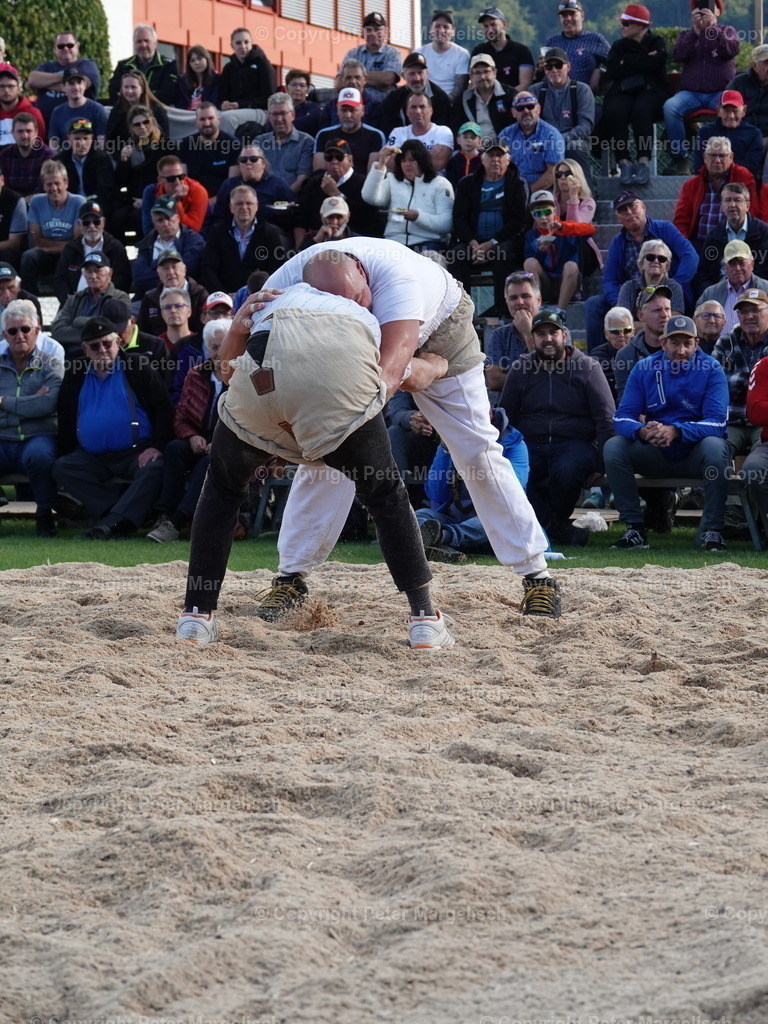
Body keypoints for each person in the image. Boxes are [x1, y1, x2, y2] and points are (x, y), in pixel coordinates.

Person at [237, 239, 561, 619]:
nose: (359, 307)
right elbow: (245, 367)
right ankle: (291, 578)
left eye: (359, 298)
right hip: (345, 346)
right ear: (310, 295)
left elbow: (387, 379)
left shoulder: (397, 282)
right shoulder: (278, 296)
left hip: (440, 329)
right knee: (325, 451)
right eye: (345, 304)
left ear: (362, 272)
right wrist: (284, 434)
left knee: (476, 449)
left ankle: (537, 576)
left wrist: (433, 369)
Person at [176, 283, 455, 651]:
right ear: (359, 286)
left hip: (260, 381)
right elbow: (400, 374)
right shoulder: (371, 309)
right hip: (334, 392)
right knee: (386, 496)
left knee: (222, 490)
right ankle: (424, 620)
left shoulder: (276, 293)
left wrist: (240, 325)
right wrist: (438, 365)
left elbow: (226, 370)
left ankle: (196, 617)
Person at [605, 314, 730, 551]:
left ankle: (712, 531)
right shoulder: (644, 367)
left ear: (696, 343)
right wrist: (642, 431)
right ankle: (634, 529)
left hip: (695, 454)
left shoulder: (712, 369)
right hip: (656, 452)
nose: (680, 350)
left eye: (687, 343)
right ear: (663, 343)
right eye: (674, 343)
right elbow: (621, 417)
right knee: (614, 447)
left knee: (716, 447)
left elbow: (718, 423)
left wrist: (677, 431)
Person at [500, 308, 615, 547]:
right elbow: (506, 416)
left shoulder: (588, 367)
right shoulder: (521, 368)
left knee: (567, 469)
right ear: (533, 339)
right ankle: (555, 527)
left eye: (553, 332)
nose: (548, 339)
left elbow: (605, 418)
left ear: (565, 335)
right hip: (530, 443)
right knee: (512, 471)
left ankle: (549, 525)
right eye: (541, 334)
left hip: (575, 443)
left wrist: (603, 464)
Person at [54, 315, 174, 539]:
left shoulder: (137, 366)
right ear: (85, 349)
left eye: (107, 343)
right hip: (91, 456)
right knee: (63, 467)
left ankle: (112, 521)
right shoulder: (75, 373)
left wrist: (157, 446)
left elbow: (163, 408)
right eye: (94, 346)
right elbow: (66, 416)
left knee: (154, 467)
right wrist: (68, 451)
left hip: (135, 452)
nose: (102, 349)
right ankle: (119, 514)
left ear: (118, 341)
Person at [583, 190, 699, 352]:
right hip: (633, 294)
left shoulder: (665, 229)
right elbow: (609, 279)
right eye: (623, 210)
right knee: (593, 305)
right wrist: (619, 305)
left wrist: (675, 284)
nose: (629, 212)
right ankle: (599, 357)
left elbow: (690, 256)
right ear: (618, 217)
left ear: (643, 206)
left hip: (667, 293)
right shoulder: (618, 243)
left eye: (632, 206)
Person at [147, 319, 230, 543]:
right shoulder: (196, 374)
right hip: (199, 439)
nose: (220, 353)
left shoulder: (243, 377)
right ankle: (165, 513)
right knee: (175, 448)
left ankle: (177, 521)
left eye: (225, 345)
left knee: (208, 462)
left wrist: (219, 442)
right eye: (214, 347)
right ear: (206, 349)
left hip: (230, 448)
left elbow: (247, 422)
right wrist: (191, 436)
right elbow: (181, 416)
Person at [417, 407, 528, 562]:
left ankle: (443, 537)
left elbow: (512, 490)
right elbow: (436, 494)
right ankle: (443, 545)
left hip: (493, 520)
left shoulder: (515, 443)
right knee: (420, 516)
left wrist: (480, 454)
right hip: (457, 518)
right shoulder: (453, 441)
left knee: (493, 521)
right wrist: (445, 450)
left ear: (489, 414)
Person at [0, 299, 62, 537]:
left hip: (38, 435)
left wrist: (3, 402)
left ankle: (44, 514)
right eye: (13, 331)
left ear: (37, 331)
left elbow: (47, 404)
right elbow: (37, 404)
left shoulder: (51, 363)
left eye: (25, 329)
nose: (20, 335)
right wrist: (31, 403)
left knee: (40, 456)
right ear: (4, 335)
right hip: (3, 436)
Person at [449, 137, 529, 316]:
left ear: (508, 159)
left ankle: (503, 312)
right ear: (483, 159)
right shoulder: (467, 184)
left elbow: (519, 222)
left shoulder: (518, 184)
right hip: (474, 244)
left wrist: (492, 243)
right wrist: (473, 244)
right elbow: (459, 219)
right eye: (491, 155)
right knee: (456, 255)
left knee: (504, 253)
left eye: (500, 155)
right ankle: (461, 313)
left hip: (504, 242)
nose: (495, 159)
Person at [662, 0, 739, 175]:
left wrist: (712, 29)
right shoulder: (685, 35)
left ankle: (729, 157)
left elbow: (730, 51)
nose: (702, 10)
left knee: (730, 111)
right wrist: (696, 33)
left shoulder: (727, 31)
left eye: (708, 7)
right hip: (691, 93)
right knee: (670, 107)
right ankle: (680, 158)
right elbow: (679, 55)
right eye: (698, 8)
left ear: (717, 12)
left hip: (720, 92)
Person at [601, 4, 669, 187]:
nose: (622, 27)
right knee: (614, 111)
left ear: (640, 26)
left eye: (626, 23)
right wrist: (643, 59)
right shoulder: (618, 45)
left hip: (651, 89)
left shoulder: (657, 41)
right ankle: (624, 162)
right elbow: (613, 69)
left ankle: (643, 161)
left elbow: (656, 64)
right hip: (623, 89)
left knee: (642, 110)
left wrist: (628, 61)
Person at [362, 140, 453, 251]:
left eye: (412, 160)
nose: (407, 164)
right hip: (394, 241)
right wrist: (381, 164)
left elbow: (447, 224)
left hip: (428, 242)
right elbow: (369, 197)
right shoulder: (392, 180)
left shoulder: (440, 184)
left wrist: (418, 217)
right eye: (403, 160)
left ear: (422, 161)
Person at [673, 136, 758, 248]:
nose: (717, 161)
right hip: (698, 244)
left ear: (731, 157)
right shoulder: (691, 185)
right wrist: (684, 246)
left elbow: (752, 212)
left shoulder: (743, 177)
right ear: (705, 158)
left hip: (733, 243)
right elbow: (681, 220)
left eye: (722, 156)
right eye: (712, 155)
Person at [711, 288, 768, 455]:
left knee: (759, 460)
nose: (749, 316)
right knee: (714, 451)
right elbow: (715, 382)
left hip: (764, 424)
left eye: (755, 310)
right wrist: (757, 383)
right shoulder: (725, 342)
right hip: (732, 422)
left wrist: (737, 382)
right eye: (743, 311)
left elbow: (727, 381)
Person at [522, 188, 595, 316]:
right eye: (538, 214)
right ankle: (537, 309)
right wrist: (541, 252)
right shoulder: (531, 235)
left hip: (568, 281)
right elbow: (529, 263)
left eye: (547, 212)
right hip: (544, 284)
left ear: (554, 211)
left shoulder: (566, 228)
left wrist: (562, 227)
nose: (543, 218)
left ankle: (560, 313)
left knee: (571, 265)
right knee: (529, 262)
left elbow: (590, 230)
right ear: (533, 215)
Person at [200, 185, 285, 294]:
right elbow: (208, 268)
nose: (244, 207)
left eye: (249, 203)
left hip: (260, 296)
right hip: (225, 297)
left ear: (256, 206)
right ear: (231, 207)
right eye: (239, 203)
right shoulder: (217, 232)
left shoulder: (269, 232)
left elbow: (277, 269)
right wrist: (223, 296)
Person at [294, 141, 375, 247]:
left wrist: (336, 193)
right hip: (317, 241)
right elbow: (300, 218)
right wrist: (301, 249)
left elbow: (367, 218)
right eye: (329, 157)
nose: (334, 161)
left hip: (352, 243)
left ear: (350, 160)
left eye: (339, 157)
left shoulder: (363, 183)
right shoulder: (314, 182)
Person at [50, 251, 131, 357]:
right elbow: (57, 331)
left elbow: (116, 329)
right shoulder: (75, 299)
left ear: (110, 273)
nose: (93, 276)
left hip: (105, 354)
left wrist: (78, 321)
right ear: (83, 274)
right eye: (88, 271)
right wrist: (94, 334)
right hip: (73, 356)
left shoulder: (120, 298)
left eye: (98, 271)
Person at [20, 160, 83, 294]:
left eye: (57, 183)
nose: (53, 188)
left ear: (66, 183)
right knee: (29, 257)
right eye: (49, 184)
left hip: (70, 256)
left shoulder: (78, 202)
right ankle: (28, 299)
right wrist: (65, 244)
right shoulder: (37, 202)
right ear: (43, 185)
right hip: (46, 257)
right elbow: (36, 240)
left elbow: (78, 243)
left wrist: (48, 245)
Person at [53, 199, 130, 303]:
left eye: (96, 222)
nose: (92, 226)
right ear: (79, 224)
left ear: (103, 222)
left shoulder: (116, 247)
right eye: (86, 223)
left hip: (107, 304)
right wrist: (70, 303)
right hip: (73, 304)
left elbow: (123, 280)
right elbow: (60, 281)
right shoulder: (70, 248)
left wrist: (104, 301)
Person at [530, 49, 595, 166]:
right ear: (545, 70)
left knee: (574, 147)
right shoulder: (535, 90)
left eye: (558, 65)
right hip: (543, 140)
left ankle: (583, 178)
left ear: (568, 67)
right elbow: (529, 123)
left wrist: (559, 139)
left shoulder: (582, 89)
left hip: (574, 140)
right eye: (549, 67)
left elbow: (585, 126)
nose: (554, 70)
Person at [165, 292, 233, 403]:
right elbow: (174, 388)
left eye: (225, 313)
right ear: (203, 317)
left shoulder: (242, 347)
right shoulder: (184, 346)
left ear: (233, 318)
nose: (220, 318)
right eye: (214, 313)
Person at [697, 183, 768, 289]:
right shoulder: (713, 236)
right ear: (722, 206)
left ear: (747, 206)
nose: (732, 205)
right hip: (722, 291)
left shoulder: (764, 233)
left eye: (737, 200)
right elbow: (703, 273)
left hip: (756, 291)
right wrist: (711, 293)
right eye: (728, 200)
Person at [132, 196, 205, 298]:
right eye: (160, 220)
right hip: (152, 298)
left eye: (168, 218)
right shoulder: (146, 243)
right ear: (154, 223)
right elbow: (139, 278)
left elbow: (190, 270)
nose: (165, 224)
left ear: (178, 218)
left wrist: (155, 265)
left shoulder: (193, 240)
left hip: (188, 296)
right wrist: (170, 278)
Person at [484, 271, 542, 398]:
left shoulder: (557, 332)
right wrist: (534, 380)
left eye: (525, 296)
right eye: (513, 298)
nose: (520, 302)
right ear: (507, 303)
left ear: (538, 301)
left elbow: (552, 376)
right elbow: (493, 381)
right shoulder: (499, 336)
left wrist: (528, 333)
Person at [26, 31, 100, 128]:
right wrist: (68, 76)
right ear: (54, 49)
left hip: (78, 127)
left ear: (77, 47)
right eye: (60, 46)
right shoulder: (46, 66)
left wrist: (45, 83)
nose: (65, 48)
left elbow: (84, 84)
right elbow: (32, 80)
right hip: (45, 125)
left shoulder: (87, 65)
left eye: (70, 45)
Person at [212, 144, 294, 228]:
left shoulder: (278, 185)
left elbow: (294, 217)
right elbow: (218, 216)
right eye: (243, 160)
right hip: (234, 232)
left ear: (263, 163)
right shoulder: (229, 185)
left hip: (269, 232)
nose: (248, 162)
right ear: (239, 165)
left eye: (253, 159)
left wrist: (284, 213)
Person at [696, 239, 768, 334]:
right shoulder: (710, 294)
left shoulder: (766, 289)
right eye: (732, 264)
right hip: (718, 343)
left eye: (741, 263)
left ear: (752, 264)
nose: (737, 268)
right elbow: (697, 326)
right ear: (725, 267)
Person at [136, 248, 208, 341]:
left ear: (184, 270)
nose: (170, 272)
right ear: (158, 273)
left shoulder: (200, 294)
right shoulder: (150, 298)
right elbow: (142, 332)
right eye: (165, 268)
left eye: (174, 267)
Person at [614, 284, 672, 398]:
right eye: (657, 310)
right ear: (641, 316)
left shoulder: (687, 349)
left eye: (667, 309)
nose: (664, 315)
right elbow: (626, 400)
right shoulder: (626, 355)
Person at [499, 92, 565, 191]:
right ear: (513, 112)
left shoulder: (551, 135)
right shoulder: (505, 134)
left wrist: (527, 192)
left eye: (530, 106)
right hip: (510, 189)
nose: (526, 111)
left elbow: (553, 172)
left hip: (542, 192)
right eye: (520, 108)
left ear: (538, 109)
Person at [176, 103, 240, 203]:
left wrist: (208, 204)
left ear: (218, 119)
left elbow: (231, 186)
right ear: (196, 122)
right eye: (202, 119)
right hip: (192, 199)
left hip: (222, 201)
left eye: (211, 118)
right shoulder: (184, 145)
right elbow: (183, 181)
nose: (207, 123)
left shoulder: (233, 145)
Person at [693, 90, 764, 178]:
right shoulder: (705, 132)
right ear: (718, 110)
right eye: (726, 111)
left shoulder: (753, 133)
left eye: (735, 111)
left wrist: (719, 167)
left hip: (741, 181)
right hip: (711, 181)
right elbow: (699, 165)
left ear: (744, 110)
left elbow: (751, 166)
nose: (731, 116)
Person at [314, 89, 386, 175]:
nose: (348, 115)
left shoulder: (375, 136)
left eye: (353, 110)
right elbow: (319, 173)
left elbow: (372, 174)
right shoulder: (324, 135)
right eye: (343, 110)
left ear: (362, 110)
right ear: (337, 111)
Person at [380, 51, 452, 138]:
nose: (417, 78)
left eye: (420, 73)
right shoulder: (393, 99)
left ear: (427, 73)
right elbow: (388, 130)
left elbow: (442, 131)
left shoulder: (440, 98)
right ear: (403, 75)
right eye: (412, 73)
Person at [543, 0, 609, 90]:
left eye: (572, 14)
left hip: (580, 93)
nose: (568, 18)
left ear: (582, 16)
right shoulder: (551, 41)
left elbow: (613, 63)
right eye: (564, 15)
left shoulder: (595, 39)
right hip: (551, 92)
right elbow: (542, 71)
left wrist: (599, 71)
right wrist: (540, 68)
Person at [57, 119, 117, 217]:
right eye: (77, 139)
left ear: (92, 138)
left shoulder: (102, 159)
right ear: (68, 138)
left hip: (96, 206)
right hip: (68, 206)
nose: (82, 143)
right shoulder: (60, 161)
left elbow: (105, 191)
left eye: (85, 138)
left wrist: (85, 203)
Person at [108, 24, 179, 107]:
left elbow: (167, 95)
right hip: (127, 112)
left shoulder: (168, 65)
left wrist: (138, 101)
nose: (143, 45)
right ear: (134, 44)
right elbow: (113, 92)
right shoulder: (123, 65)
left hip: (157, 112)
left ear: (155, 43)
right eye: (139, 41)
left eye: (146, 41)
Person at [337, 12, 402, 100]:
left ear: (385, 32)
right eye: (369, 30)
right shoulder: (353, 54)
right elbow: (339, 83)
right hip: (355, 103)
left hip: (383, 104)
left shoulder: (393, 53)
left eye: (377, 30)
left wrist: (352, 79)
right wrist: (378, 82)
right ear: (363, 32)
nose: (373, 33)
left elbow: (388, 79)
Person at [616, 239, 685, 321]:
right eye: (650, 257)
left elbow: (673, 322)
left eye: (661, 259)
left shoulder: (674, 287)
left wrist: (637, 324)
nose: (656, 261)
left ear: (667, 266)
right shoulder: (628, 287)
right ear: (642, 263)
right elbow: (622, 321)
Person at [257, 94, 314, 194]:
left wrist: (283, 198)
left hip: (290, 199)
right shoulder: (259, 141)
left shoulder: (306, 142)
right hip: (261, 197)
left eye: (283, 113)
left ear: (292, 115)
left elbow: (302, 179)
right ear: (269, 117)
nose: (279, 119)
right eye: (275, 114)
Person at [104, 70, 169, 157]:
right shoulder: (117, 110)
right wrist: (120, 152)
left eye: (133, 87)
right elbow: (109, 141)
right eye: (126, 87)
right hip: (124, 158)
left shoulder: (156, 110)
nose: (129, 91)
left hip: (153, 156)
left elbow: (165, 141)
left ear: (142, 89)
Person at [139, 156, 208, 236]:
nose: (178, 182)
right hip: (161, 238)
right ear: (160, 180)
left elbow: (193, 229)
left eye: (181, 177)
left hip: (194, 239)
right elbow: (148, 231)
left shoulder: (198, 191)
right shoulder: (151, 192)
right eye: (171, 179)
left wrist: (176, 203)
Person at [471, 6, 535, 91]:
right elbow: (473, 83)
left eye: (493, 24)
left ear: (504, 25)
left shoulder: (521, 51)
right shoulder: (479, 52)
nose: (490, 29)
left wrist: (505, 97)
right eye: (486, 26)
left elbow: (525, 84)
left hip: (515, 97)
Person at [451, 55, 515, 138]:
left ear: (494, 72)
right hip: (474, 145)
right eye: (477, 73)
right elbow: (455, 128)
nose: (482, 77)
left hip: (503, 144)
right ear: (471, 76)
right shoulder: (463, 99)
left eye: (486, 71)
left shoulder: (510, 95)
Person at [47, 67, 108, 150]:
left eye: (79, 83)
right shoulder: (57, 112)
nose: (76, 87)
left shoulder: (97, 110)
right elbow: (53, 145)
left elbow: (102, 145)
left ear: (84, 85)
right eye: (71, 83)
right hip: (65, 156)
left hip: (92, 156)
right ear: (63, 87)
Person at [416, 11, 470, 102]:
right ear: (431, 30)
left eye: (446, 27)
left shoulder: (462, 54)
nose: (441, 30)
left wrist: (443, 103)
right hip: (424, 102)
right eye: (437, 26)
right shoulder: (419, 53)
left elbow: (460, 88)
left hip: (452, 104)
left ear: (453, 32)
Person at [219, 27, 276, 111]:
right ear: (232, 46)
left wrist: (241, 105)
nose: (243, 46)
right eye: (238, 43)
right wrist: (224, 105)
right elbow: (223, 96)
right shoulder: (229, 68)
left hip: (259, 110)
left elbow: (269, 98)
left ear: (251, 44)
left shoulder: (263, 64)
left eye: (246, 42)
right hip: (234, 110)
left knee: (229, 117)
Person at [318, 60, 384, 133]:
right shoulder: (331, 105)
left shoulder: (375, 105)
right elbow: (324, 132)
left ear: (365, 79)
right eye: (348, 78)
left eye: (357, 77)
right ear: (342, 79)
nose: (353, 81)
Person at [0, 112, 53, 198]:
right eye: (20, 131)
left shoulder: (46, 155)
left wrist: (21, 202)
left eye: (28, 131)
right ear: (12, 133)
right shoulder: (4, 156)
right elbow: (3, 189)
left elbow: (43, 191)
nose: (25, 136)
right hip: (10, 203)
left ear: (36, 132)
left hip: (37, 203)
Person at [725, 43, 768, 147]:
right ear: (755, 66)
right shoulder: (738, 83)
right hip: (742, 136)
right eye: (766, 62)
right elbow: (726, 111)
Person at [589, 305, 634, 400]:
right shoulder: (597, 357)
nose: (621, 335)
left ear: (633, 332)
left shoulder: (642, 351)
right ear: (606, 334)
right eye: (615, 331)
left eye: (627, 330)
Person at [0, 64, 46, 145]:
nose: (6, 90)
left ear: (18, 88)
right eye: (1, 86)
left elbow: (39, 145)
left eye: (10, 86)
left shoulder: (32, 113)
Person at [174, 45, 220, 111]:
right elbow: (180, 103)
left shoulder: (217, 79)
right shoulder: (183, 81)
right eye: (192, 60)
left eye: (199, 59)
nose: (196, 63)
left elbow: (214, 101)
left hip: (207, 113)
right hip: (186, 114)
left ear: (207, 59)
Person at [444, 121, 484, 189]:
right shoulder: (453, 161)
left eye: (473, 137)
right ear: (458, 140)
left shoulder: (484, 160)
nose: (469, 140)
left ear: (480, 141)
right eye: (465, 137)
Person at [0, 169, 26, 268]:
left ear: (2, 180)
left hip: (4, 248)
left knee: (8, 255)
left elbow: (15, 243)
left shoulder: (15, 200)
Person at [284, 70, 321, 137]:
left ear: (307, 90)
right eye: (294, 85)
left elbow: (307, 124)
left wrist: (282, 124)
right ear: (286, 88)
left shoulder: (314, 108)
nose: (298, 88)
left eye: (302, 85)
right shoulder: (280, 108)